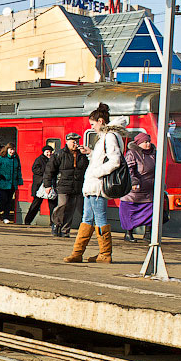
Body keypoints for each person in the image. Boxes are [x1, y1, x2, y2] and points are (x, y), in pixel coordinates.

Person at [65, 103, 123, 263]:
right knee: (87, 218)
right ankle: (77, 253)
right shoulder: (105, 137)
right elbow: (102, 159)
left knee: (100, 218)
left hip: (98, 185)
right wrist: (90, 153)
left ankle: (105, 254)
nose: (92, 127)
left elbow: (115, 161)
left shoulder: (110, 136)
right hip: (92, 186)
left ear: (101, 121)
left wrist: (96, 173)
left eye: (93, 124)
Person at [43, 133, 89, 237]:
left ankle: (65, 230)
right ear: (67, 142)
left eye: (77, 141)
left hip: (76, 185)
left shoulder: (82, 155)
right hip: (63, 184)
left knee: (71, 208)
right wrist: (47, 185)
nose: (75, 144)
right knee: (62, 205)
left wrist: (86, 154)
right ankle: (56, 224)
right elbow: (50, 170)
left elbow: (86, 168)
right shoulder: (59, 154)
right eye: (73, 142)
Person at [120, 132, 156, 242]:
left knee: (150, 211)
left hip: (149, 190)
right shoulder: (132, 153)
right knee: (129, 212)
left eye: (149, 141)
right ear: (139, 143)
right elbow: (129, 169)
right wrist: (134, 181)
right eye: (145, 142)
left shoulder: (154, 153)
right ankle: (128, 234)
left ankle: (148, 234)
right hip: (134, 191)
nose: (148, 144)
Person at [24, 145, 58, 226]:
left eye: (50, 152)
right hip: (40, 185)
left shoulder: (53, 159)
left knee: (52, 204)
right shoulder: (39, 159)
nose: (49, 153)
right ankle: (27, 220)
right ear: (44, 152)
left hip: (50, 184)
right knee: (36, 204)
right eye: (47, 152)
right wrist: (46, 172)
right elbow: (35, 169)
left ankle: (53, 222)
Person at [0, 143, 23, 223]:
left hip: (12, 183)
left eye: (13, 149)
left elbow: (18, 170)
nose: (12, 151)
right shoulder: (0, 157)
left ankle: (6, 217)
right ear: (7, 149)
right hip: (1, 182)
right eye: (11, 149)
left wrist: (19, 180)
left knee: (9, 200)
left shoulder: (16, 159)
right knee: (2, 198)